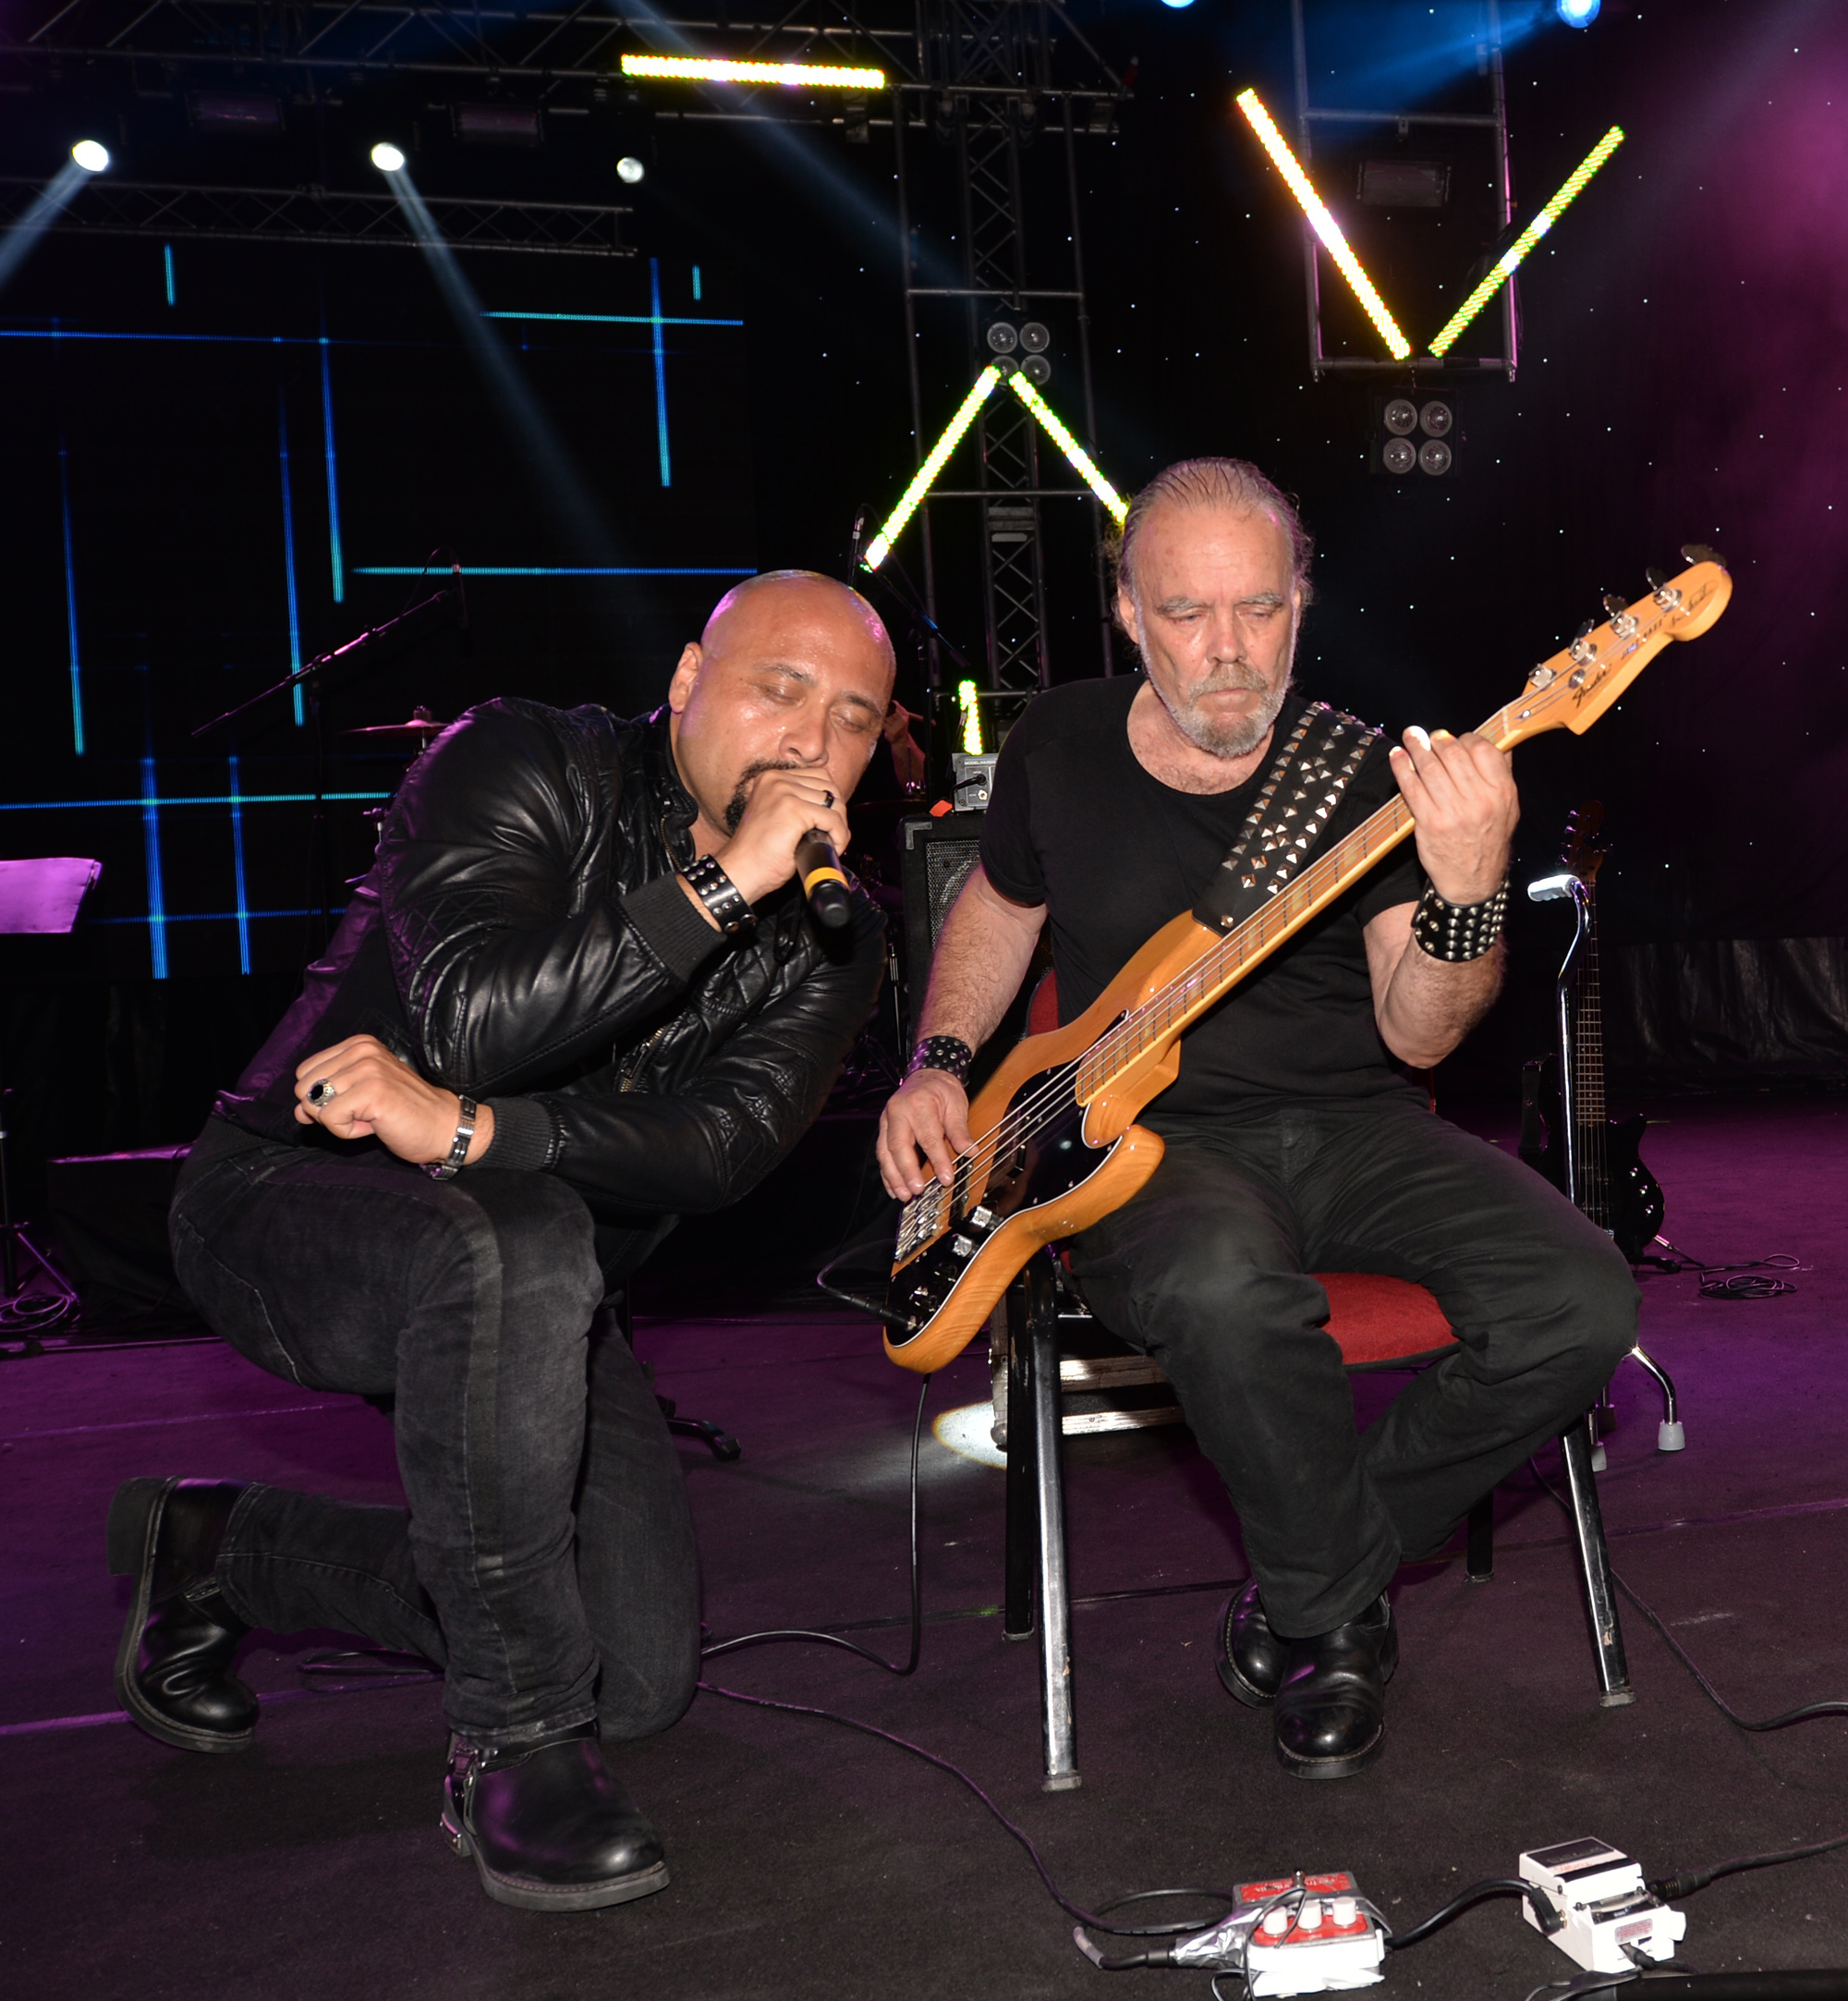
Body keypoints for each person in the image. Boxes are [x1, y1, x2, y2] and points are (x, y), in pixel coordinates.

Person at [117, 570, 894, 1908]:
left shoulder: (836, 931)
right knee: (516, 1243)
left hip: (553, 1278)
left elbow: (720, 1149)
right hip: (293, 1197)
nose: (810, 740)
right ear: (687, 684)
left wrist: (479, 1133)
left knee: (635, 1678)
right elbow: (471, 1021)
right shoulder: (518, 760)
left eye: (853, 719)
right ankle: (513, 1739)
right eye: (780, 690)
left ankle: (219, 1552)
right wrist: (717, 886)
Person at [875, 459, 1636, 1781]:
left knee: (1583, 1299)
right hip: (1144, 1155)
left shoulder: (1365, 769)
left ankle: (1315, 1577)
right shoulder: (1057, 742)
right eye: (1185, 612)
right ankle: (1334, 1622)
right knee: (1223, 1283)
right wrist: (938, 1059)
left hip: (1356, 1128)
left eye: (1260, 607)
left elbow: (1421, 1034)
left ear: (1302, 602)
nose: (1227, 649)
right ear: (1127, 611)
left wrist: (1466, 894)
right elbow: (999, 906)